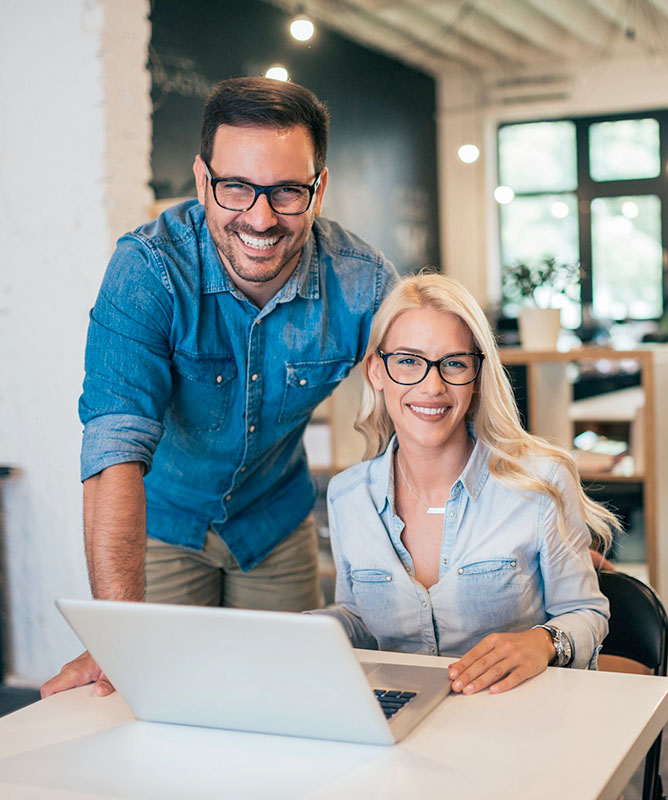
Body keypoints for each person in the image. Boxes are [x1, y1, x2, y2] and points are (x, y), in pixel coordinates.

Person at [41, 77, 397, 697]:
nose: (260, 218)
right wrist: (117, 636)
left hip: (274, 522)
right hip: (161, 523)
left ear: (319, 187)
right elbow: (113, 450)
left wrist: (539, 522)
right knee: (159, 703)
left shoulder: (362, 283)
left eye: (287, 191)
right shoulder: (148, 270)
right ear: (203, 180)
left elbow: (442, 399)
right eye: (236, 187)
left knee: (292, 704)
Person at [317, 273, 618, 695]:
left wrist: (541, 642)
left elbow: (586, 611)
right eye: (408, 361)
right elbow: (360, 623)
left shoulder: (541, 482)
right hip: (400, 722)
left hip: (513, 721)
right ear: (376, 372)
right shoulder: (348, 496)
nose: (432, 386)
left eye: (454, 363)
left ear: (476, 376)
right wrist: (308, 628)